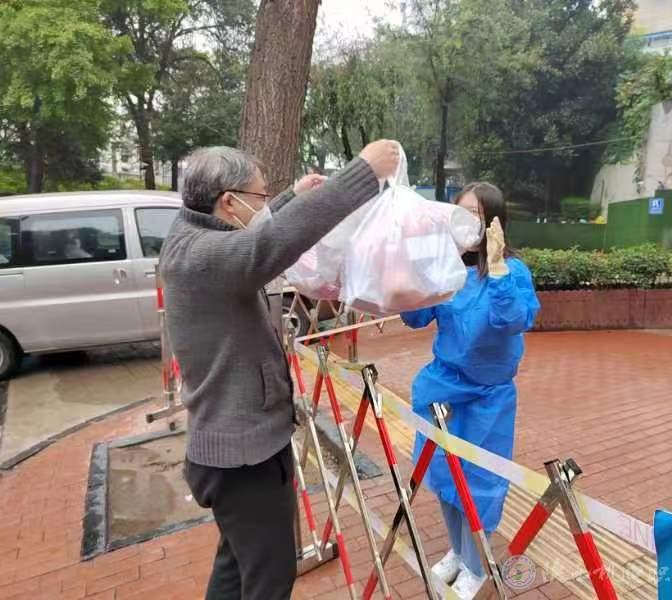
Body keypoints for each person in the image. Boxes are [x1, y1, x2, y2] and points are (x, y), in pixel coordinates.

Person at [160, 141, 400, 600]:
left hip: (231, 450)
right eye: (261, 196)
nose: (266, 203)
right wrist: (363, 172)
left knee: (235, 569)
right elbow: (269, 243)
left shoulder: (191, 233)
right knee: (268, 581)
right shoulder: (205, 256)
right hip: (245, 458)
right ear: (229, 202)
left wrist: (292, 196)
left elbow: (255, 234)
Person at [401, 182, 540, 599]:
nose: (466, 224)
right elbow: (416, 317)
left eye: (476, 215)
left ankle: (476, 566)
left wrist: (496, 268)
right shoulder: (448, 267)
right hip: (443, 389)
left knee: (478, 484)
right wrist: (414, 272)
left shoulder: (512, 271)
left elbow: (512, 320)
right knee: (443, 475)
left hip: (487, 400)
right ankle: (459, 552)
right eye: (460, 213)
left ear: (495, 222)